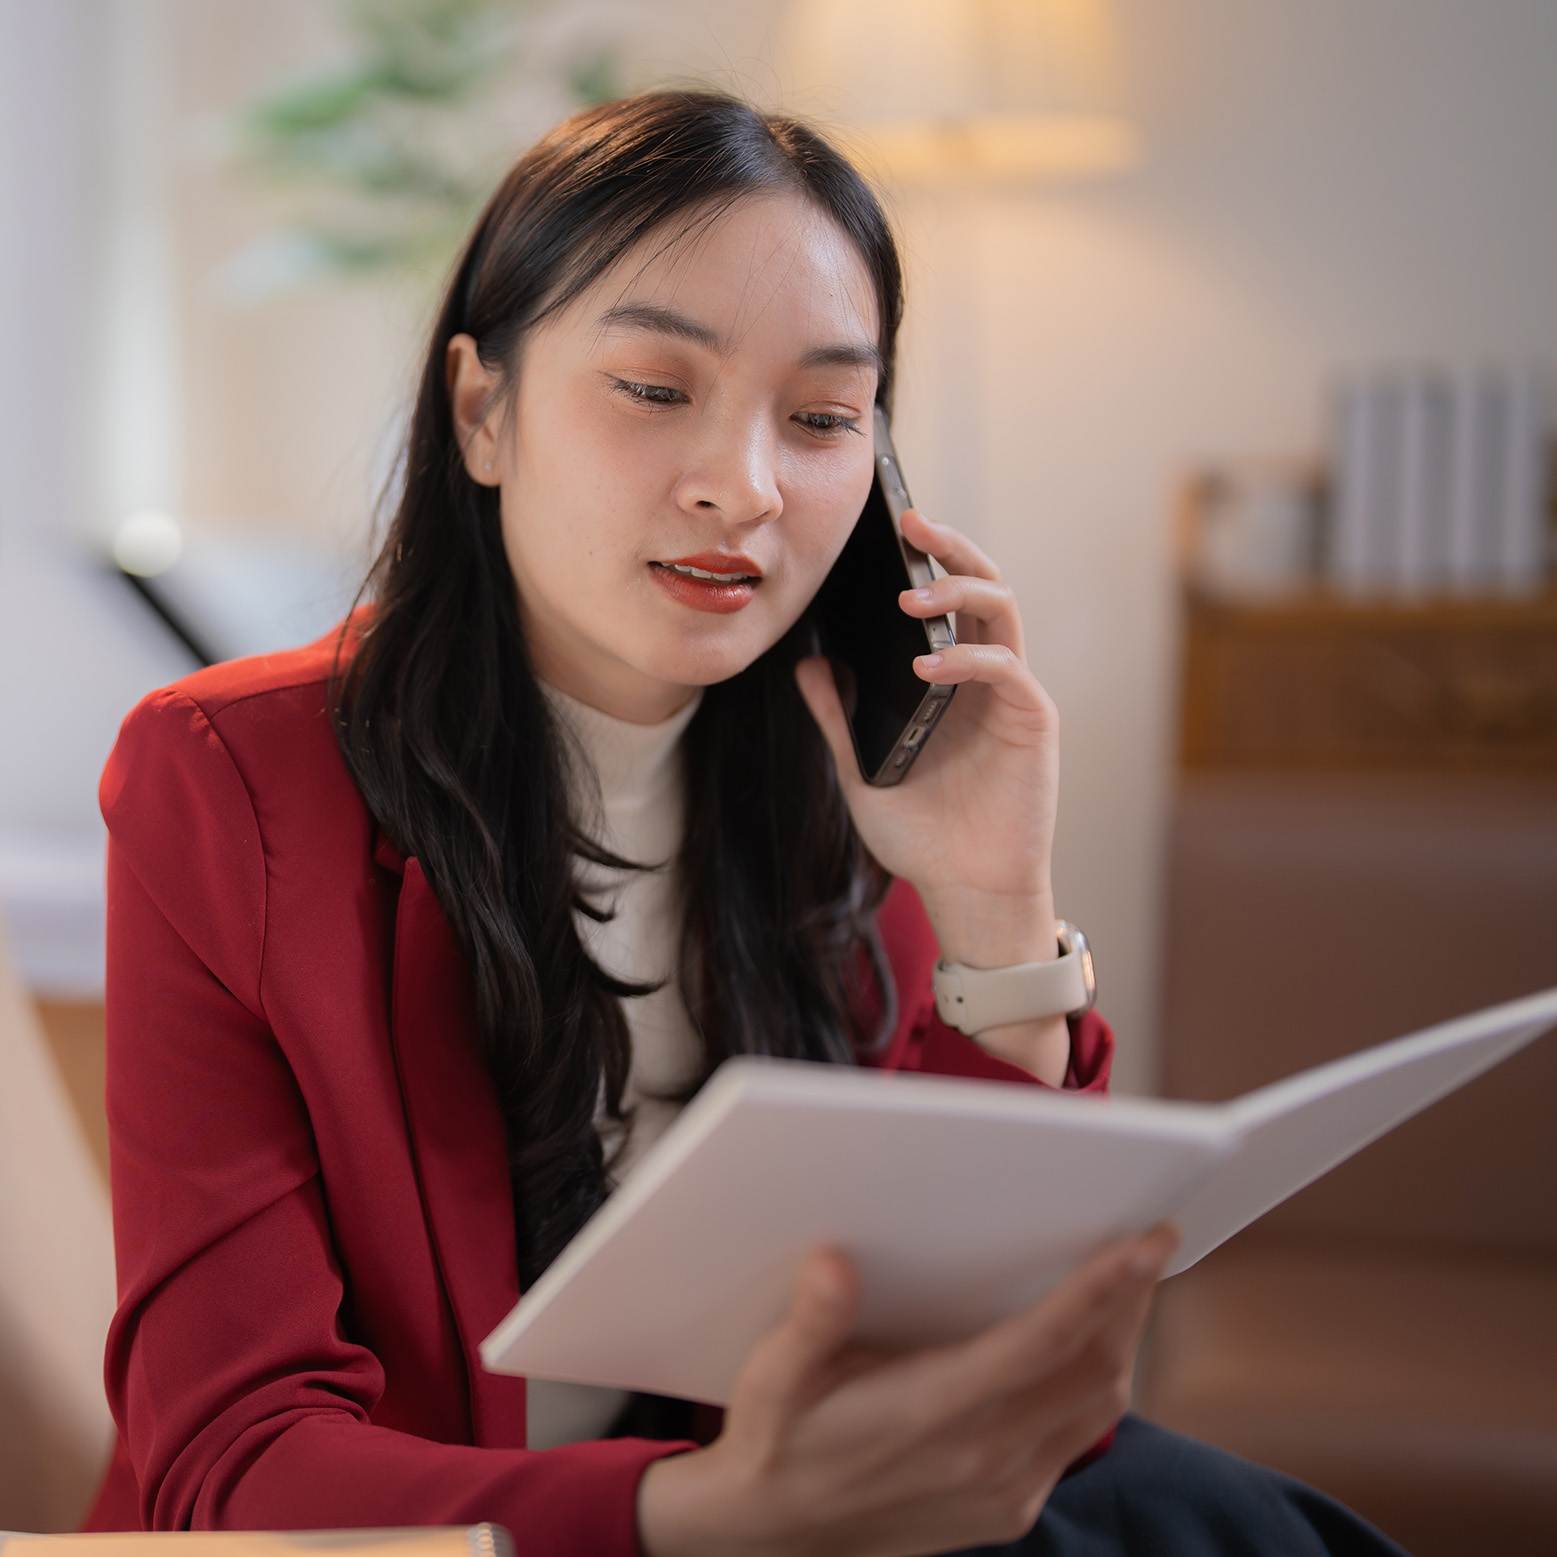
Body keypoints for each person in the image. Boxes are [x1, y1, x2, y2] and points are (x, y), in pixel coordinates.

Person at [85, 90, 1406, 1555]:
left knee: (1207, 1516)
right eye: (656, 390)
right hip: (470, 1540)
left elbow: (1000, 1370)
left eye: (825, 417)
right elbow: (233, 1464)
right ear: (483, 408)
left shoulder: (850, 765)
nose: (746, 487)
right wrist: (700, 1513)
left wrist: (990, 899)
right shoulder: (231, 780)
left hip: (789, 1511)